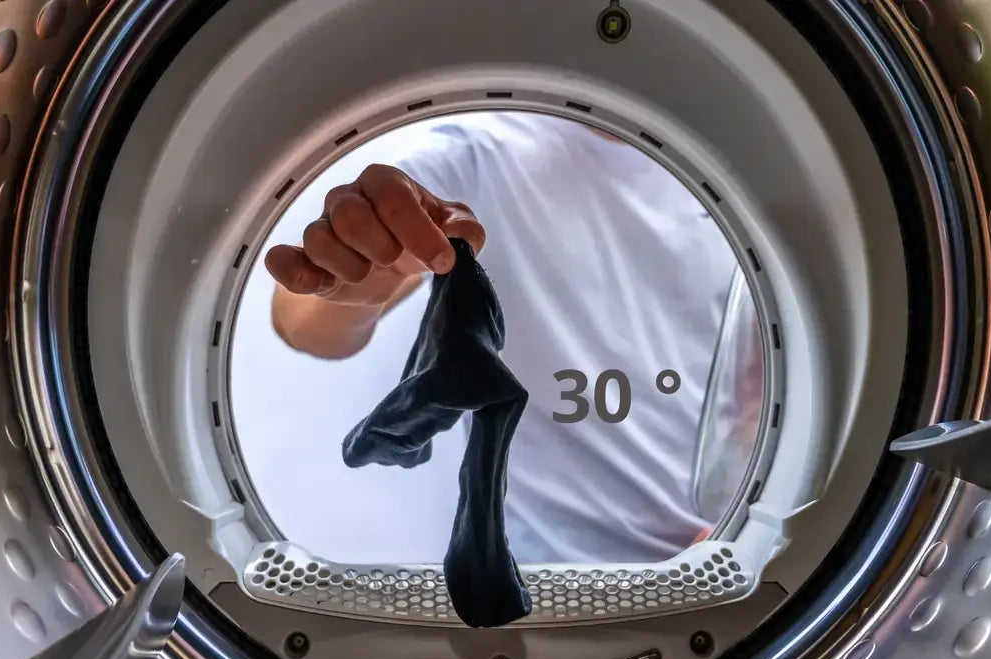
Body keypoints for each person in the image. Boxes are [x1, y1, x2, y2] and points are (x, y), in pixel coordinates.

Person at [266, 112, 761, 564]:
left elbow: (762, 380)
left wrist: (749, 520)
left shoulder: (745, 171)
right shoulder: (477, 156)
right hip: (552, 587)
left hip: (729, 562)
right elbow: (304, 322)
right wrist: (364, 273)